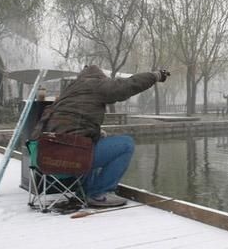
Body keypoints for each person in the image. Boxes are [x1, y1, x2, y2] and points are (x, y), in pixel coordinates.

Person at [32, 65, 170, 207]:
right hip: (71, 157)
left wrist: (98, 134)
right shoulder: (95, 84)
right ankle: (99, 193)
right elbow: (128, 85)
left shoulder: (70, 91)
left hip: (47, 158)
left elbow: (72, 125)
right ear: (99, 77)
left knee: (94, 141)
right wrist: (155, 76)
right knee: (126, 144)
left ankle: (84, 191)